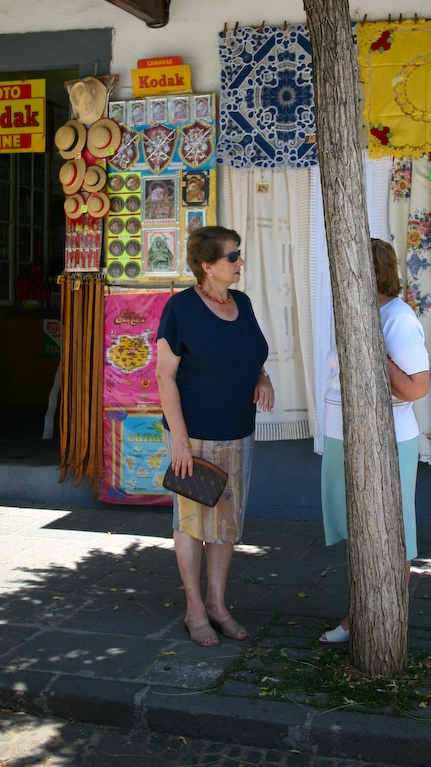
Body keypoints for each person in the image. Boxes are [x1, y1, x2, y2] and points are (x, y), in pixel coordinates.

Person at [155, 226, 275, 647]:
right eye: (232, 256)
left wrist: (263, 379)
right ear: (207, 266)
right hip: (193, 435)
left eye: (239, 254)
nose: (240, 261)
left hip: (238, 431)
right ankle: (194, 609)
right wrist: (180, 441)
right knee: (191, 523)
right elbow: (164, 376)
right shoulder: (180, 309)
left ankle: (218, 605)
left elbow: (253, 357)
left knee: (226, 524)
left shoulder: (242, 303)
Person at [319, 237, 430, 644]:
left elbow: (417, 387)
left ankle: (377, 620)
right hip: (342, 436)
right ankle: (364, 612)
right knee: (357, 528)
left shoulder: (397, 317)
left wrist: (372, 350)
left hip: (386, 440)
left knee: (389, 531)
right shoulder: (356, 310)